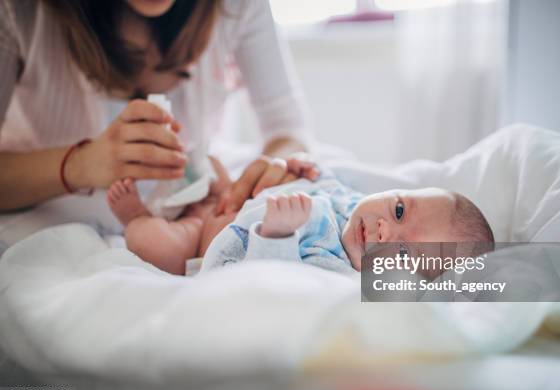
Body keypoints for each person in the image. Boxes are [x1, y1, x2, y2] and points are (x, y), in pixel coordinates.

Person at [0, 0, 316, 213]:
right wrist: (79, 165)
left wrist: (276, 168)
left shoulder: (238, 7)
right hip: (45, 215)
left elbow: (288, 128)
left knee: (360, 223)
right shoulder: (18, 12)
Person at [107, 163, 495, 275]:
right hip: (232, 197)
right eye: (398, 210)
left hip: (203, 236)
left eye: (402, 250)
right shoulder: (352, 201)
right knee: (204, 164)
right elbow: (322, 178)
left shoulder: (336, 269)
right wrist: (302, 168)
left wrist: (276, 237)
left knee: (157, 246)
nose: (383, 229)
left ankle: (135, 215)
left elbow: (274, 286)